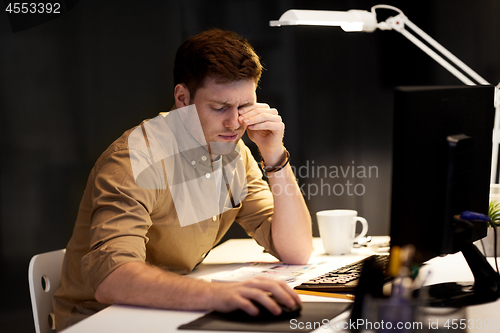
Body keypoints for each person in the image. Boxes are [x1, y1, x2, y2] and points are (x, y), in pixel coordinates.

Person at [53, 28, 313, 331]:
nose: (234, 123)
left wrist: (274, 154)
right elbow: (113, 279)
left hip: (169, 312)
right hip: (100, 320)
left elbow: (295, 250)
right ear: (182, 98)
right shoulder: (134, 159)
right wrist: (218, 294)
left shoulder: (232, 151)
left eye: (244, 106)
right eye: (219, 108)